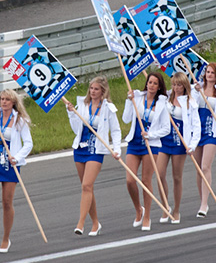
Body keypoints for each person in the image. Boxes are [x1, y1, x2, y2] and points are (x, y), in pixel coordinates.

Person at [66, 76, 121, 236]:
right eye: (91, 88)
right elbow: (77, 129)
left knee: (86, 186)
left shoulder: (108, 108)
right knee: (87, 188)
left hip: (96, 150)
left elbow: (116, 130)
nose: (93, 91)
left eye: (96, 89)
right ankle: (95, 223)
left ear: (103, 91)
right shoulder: (82, 104)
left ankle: (81, 223)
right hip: (80, 149)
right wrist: (71, 114)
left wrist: (116, 149)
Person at [0, 89, 33, 252]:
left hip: (11, 163)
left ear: (13, 103)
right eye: (2, 99)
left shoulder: (20, 120)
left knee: (6, 202)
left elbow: (28, 144)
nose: (4, 102)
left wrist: (17, 158)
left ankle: (6, 239)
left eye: (7, 100)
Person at [123, 70, 170, 231]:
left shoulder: (162, 104)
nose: (151, 85)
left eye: (155, 83)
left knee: (145, 180)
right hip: (134, 143)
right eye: (150, 82)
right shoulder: (137, 97)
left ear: (159, 87)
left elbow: (166, 129)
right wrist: (129, 101)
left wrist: (150, 135)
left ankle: (148, 215)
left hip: (152, 145)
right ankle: (139, 209)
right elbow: (126, 119)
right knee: (130, 180)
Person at [155, 72, 198, 225]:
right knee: (159, 175)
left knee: (177, 177)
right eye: (174, 84)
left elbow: (196, 126)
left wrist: (192, 145)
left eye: (179, 85)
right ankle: (165, 207)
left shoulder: (190, 103)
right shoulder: (165, 97)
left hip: (180, 142)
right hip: (164, 140)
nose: (176, 87)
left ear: (184, 85)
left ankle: (176, 210)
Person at [192, 63, 216, 217]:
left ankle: (203, 205)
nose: (209, 75)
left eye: (212, 73)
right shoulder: (197, 89)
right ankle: (203, 199)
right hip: (197, 131)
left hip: (212, 132)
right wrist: (196, 93)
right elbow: (190, 105)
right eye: (207, 72)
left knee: (205, 166)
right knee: (198, 169)